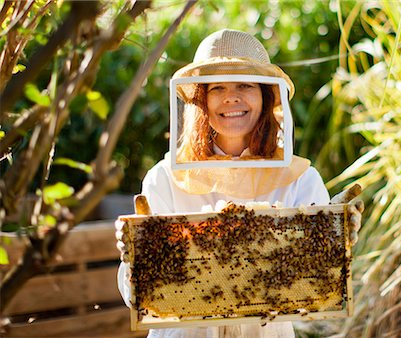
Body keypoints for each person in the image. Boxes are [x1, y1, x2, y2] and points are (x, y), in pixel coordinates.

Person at [116, 29, 363, 338]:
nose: (231, 96)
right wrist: (136, 256)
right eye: (217, 86)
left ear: (265, 96)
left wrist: (337, 239)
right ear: (202, 99)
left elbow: (318, 283)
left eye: (244, 84)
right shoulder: (164, 178)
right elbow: (137, 296)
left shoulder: (301, 179)